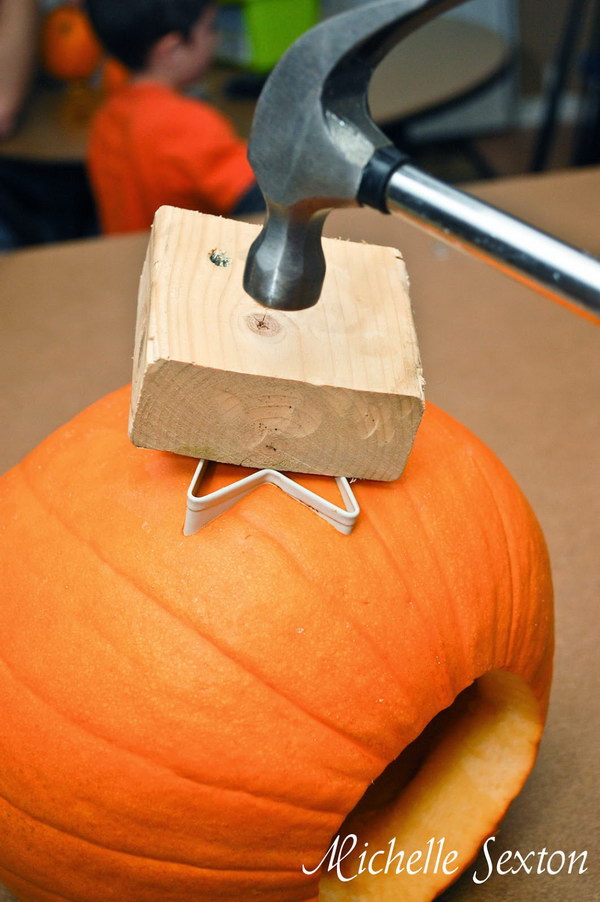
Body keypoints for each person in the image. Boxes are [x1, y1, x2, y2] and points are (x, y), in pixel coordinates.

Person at [84, 0, 263, 234]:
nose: (216, 38)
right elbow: (256, 197)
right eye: (210, 28)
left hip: (131, 260)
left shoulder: (107, 117)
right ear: (173, 48)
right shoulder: (185, 123)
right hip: (189, 262)